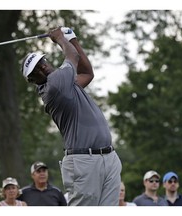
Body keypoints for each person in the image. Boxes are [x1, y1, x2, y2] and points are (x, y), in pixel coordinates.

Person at [21, 26, 122, 206]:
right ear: (32, 80)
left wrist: (72, 38)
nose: (43, 66)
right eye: (37, 68)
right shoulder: (55, 85)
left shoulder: (66, 84)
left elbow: (87, 73)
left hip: (108, 157)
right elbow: (73, 57)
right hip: (83, 161)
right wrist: (60, 38)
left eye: (42, 61)